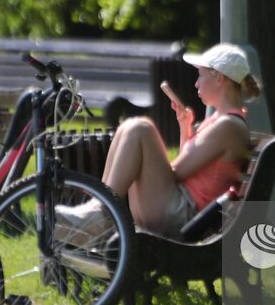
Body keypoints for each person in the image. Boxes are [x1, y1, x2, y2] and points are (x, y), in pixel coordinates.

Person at [57, 43, 262, 240]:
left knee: (141, 128)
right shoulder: (221, 121)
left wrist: (147, 162)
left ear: (219, 79)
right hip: (177, 209)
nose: (196, 83)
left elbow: (177, 173)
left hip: (184, 216)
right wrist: (185, 129)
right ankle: (99, 210)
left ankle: (101, 213)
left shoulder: (229, 126)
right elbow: (187, 173)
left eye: (201, 75)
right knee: (128, 128)